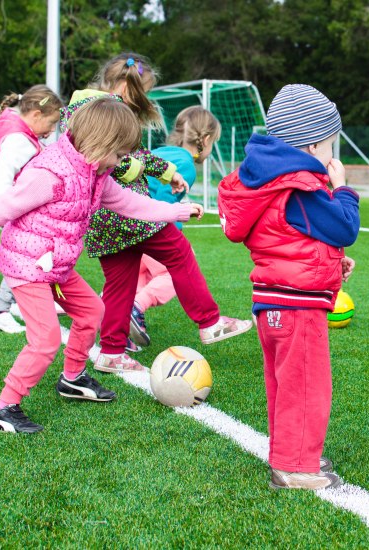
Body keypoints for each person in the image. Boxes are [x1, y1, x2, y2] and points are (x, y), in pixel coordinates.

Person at [0, 98, 204, 433]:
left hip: (56, 266)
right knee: (45, 339)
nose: (122, 163)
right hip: (27, 267)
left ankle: (72, 378)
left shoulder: (96, 173)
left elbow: (128, 203)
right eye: (120, 155)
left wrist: (176, 211)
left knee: (93, 312)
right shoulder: (49, 174)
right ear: (101, 144)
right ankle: (3, 408)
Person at [61, 53, 252, 373]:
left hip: (103, 219)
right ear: (124, 86)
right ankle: (209, 321)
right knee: (179, 252)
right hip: (126, 212)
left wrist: (167, 173)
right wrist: (138, 170)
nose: (142, 101)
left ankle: (110, 351)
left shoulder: (87, 105)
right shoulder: (101, 110)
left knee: (121, 282)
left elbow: (135, 153)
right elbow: (112, 158)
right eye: (141, 93)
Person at [218, 84, 360, 490]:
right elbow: (344, 226)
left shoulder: (270, 182)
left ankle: (291, 452)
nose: (332, 155)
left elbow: (290, 238)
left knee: (285, 385)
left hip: (274, 302)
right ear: (313, 143)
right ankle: (295, 467)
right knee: (306, 386)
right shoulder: (300, 186)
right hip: (297, 308)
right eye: (331, 144)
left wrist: (332, 263)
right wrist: (343, 188)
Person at [130, 106, 222, 347]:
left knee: (136, 277)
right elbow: (161, 202)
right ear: (206, 139)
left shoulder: (162, 152)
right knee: (176, 270)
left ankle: (114, 316)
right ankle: (136, 308)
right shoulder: (187, 165)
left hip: (126, 226)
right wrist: (180, 216)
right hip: (147, 227)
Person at [0, 85, 63, 334]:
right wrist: (12, 209)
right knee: (26, 260)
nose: (51, 132)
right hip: (17, 212)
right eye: (51, 123)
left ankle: (17, 305)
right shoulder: (19, 140)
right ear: (36, 115)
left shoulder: (21, 134)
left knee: (36, 256)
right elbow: (3, 179)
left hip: (19, 210)